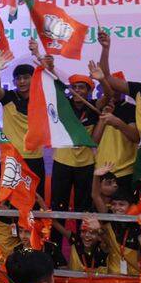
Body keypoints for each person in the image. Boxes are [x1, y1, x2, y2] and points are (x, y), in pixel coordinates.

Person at [50, 61, 110, 215]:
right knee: (58, 204)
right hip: (62, 162)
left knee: (83, 206)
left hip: (86, 164)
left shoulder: (94, 107)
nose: (77, 91)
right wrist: (48, 66)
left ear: (89, 91)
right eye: (74, 87)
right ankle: (56, 239)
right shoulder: (64, 105)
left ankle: (82, 238)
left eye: (82, 87)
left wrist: (102, 79)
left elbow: (109, 96)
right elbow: (55, 85)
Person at [0, 45, 46, 196]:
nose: (22, 81)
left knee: (36, 196)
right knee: (13, 198)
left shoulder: (42, 98)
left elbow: (50, 78)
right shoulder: (8, 97)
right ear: (14, 82)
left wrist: (38, 55)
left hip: (35, 157)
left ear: (34, 79)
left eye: (26, 77)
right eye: (18, 78)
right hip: (12, 158)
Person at [92, 70, 138, 199]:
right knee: (99, 212)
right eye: (108, 88)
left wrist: (117, 122)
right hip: (101, 171)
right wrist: (103, 118)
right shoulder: (98, 108)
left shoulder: (130, 108)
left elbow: (135, 137)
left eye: (115, 88)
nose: (112, 91)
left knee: (122, 212)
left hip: (124, 171)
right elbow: (94, 141)